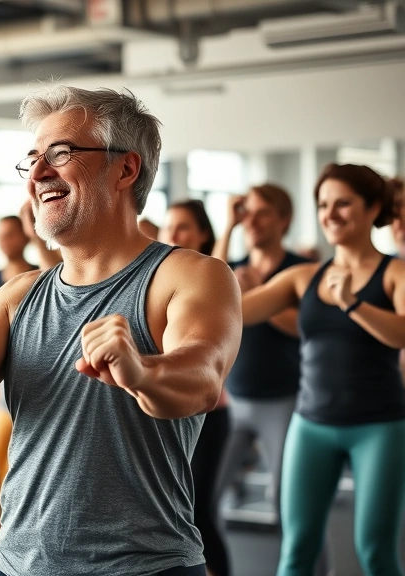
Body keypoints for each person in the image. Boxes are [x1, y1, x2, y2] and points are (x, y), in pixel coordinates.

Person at [0, 85, 241, 576]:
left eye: (61, 154)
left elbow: (201, 379)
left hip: (146, 567)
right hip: (18, 565)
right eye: (33, 159)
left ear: (126, 168)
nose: (39, 173)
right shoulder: (19, 295)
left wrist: (142, 372)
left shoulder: (187, 275)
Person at [243, 164, 405, 576]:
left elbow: (402, 334)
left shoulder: (396, 273)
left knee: (375, 552)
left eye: (343, 203)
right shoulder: (302, 277)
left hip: (380, 427)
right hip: (310, 424)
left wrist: (352, 302)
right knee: (296, 551)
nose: (329, 214)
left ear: (372, 209)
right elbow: (236, 312)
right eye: (322, 205)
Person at [211, 185, 311, 576]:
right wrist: (228, 226)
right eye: (247, 212)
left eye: (262, 212)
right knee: (204, 502)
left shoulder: (298, 268)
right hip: (234, 401)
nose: (252, 219)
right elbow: (208, 295)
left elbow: (305, 327)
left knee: (292, 508)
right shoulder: (232, 264)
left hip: (284, 401)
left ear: (284, 220)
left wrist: (259, 296)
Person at [160, 199, 231, 576]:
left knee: (199, 510)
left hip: (210, 410)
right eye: (170, 225)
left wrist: (231, 225)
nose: (173, 234)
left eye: (184, 226)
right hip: (170, 413)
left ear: (203, 233)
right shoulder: (162, 279)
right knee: (182, 510)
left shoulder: (214, 278)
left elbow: (217, 268)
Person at [0, 216, 38, 290]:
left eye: (9, 235)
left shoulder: (40, 274)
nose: (4, 242)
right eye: (0, 237)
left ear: (25, 236)